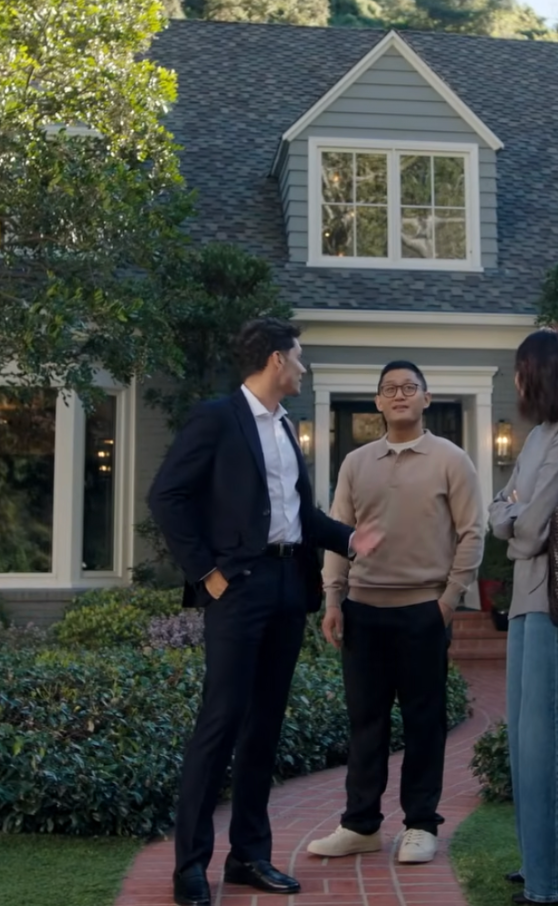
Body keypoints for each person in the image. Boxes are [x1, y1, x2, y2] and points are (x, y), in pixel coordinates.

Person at [148, 317, 382, 906]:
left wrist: (351, 539)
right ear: (277, 359)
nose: (303, 367)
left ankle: (249, 855)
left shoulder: (285, 426)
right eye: (298, 357)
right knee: (221, 722)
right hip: (238, 588)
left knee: (264, 727)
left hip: (287, 586)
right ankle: (190, 867)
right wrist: (206, 573)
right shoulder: (216, 418)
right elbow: (166, 495)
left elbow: (300, 517)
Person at [307, 360, 483, 866]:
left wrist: (449, 599)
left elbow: (472, 532)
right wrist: (333, 599)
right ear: (378, 402)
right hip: (363, 612)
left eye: (410, 387)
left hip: (423, 612)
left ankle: (420, 825)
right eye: (390, 389)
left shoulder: (451, 459)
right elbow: (339, 532)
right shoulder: (356, 463)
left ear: (427, 399)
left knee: (424, 722)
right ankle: (360, 825)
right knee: (366, 722)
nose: (400, 395)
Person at [489, 327, 558, 906]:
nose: (516, 380)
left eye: (521, 369)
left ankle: (554, 883)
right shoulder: (536, 437)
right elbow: (499, 508)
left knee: (551, 737)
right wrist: (512, 516)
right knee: (524, 738)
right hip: (524, 599)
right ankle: (539, 860)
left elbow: (528, 527)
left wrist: (513, 517)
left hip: (556, 601)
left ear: (540, 372)